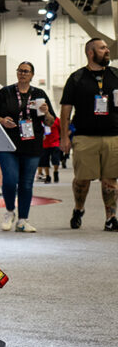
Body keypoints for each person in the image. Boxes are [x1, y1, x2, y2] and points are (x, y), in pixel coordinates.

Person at [59, 37, 118, 231]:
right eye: (102, 48)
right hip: (84, 137)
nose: (107, 50)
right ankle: (78, 208)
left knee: (111, 179)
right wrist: (64, 137)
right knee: (82, 179)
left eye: (106, 47)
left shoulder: (116, 75)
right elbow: (66, 109)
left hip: (112, 136)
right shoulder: (77, 78)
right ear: (90, 53)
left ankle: (111, 218)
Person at [0, 62, 56, 232]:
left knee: (26, 184)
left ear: (32, 75)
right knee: (10, 181)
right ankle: (10, 211)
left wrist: (47, 112)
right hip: (8, 144)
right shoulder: (5, 92)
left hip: (32, 144)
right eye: (20, 70)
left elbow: (50, 121)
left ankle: (22, 220)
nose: (22, 74)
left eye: (26, 71)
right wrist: (2, 121)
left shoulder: (40, 94)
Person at [38, 116, 61, 183]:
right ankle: (48, 176)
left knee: (55, 159)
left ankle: (55, 172)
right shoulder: (41, 119)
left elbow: (60, 130)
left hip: (55, 143)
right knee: (45, 160)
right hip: (45, 143)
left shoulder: (57, 119)